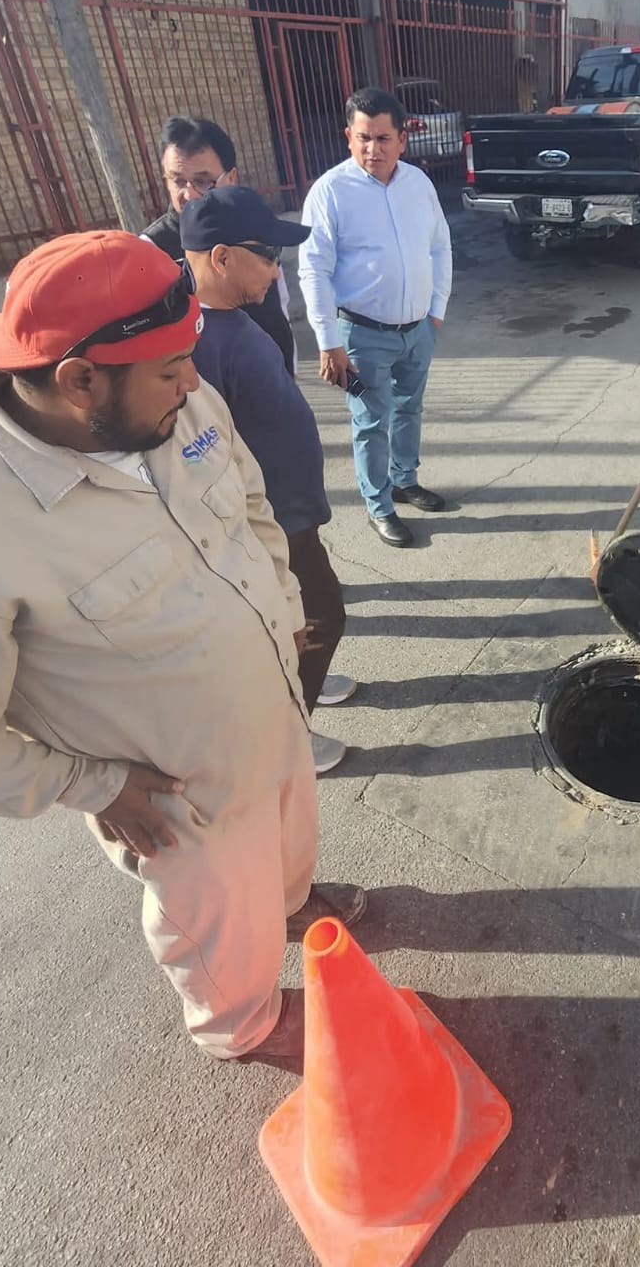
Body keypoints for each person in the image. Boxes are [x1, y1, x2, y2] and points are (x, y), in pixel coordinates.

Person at [0, 231, 366, 1074]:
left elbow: (249, 503)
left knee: (285, 842)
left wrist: (283, 604)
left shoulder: (173, 402)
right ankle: (243, 1025)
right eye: (171, 369)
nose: (194, 383)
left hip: (272, 714)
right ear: (79, 380)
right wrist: (89, 786)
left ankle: (289, 905)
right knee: (216, 920)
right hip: (175, 800)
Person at [180, 185, 358, 769]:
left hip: (289, 511)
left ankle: (306, 681)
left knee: (305, 618)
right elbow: (203, 457)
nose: (277, 270)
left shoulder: (235, 316)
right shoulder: (198, 347)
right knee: (321, 614)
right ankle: (288, 736)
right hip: (269, 520)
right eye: (267, 256)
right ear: (222, 257)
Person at [299, 87, 453, 549]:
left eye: (384, 138)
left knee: (409, 408)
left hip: (418, 331)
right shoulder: (330, 192)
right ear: (348, 137)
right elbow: (314, 269)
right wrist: (328, 341)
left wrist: (436, 312)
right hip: (362, 336)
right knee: (370, 421)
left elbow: (439, 246)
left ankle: (405, 480)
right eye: (363, 138)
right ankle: (379, 505)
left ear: (402, 139)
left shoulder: (418, 185)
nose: (373, 149)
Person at [147, 116, 297, 376]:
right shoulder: (150, 254)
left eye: (203, 181)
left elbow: (279, 307)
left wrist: (289, 373)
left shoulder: (255, 225)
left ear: (232, 177)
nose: (189, 194)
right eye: (178, 181)